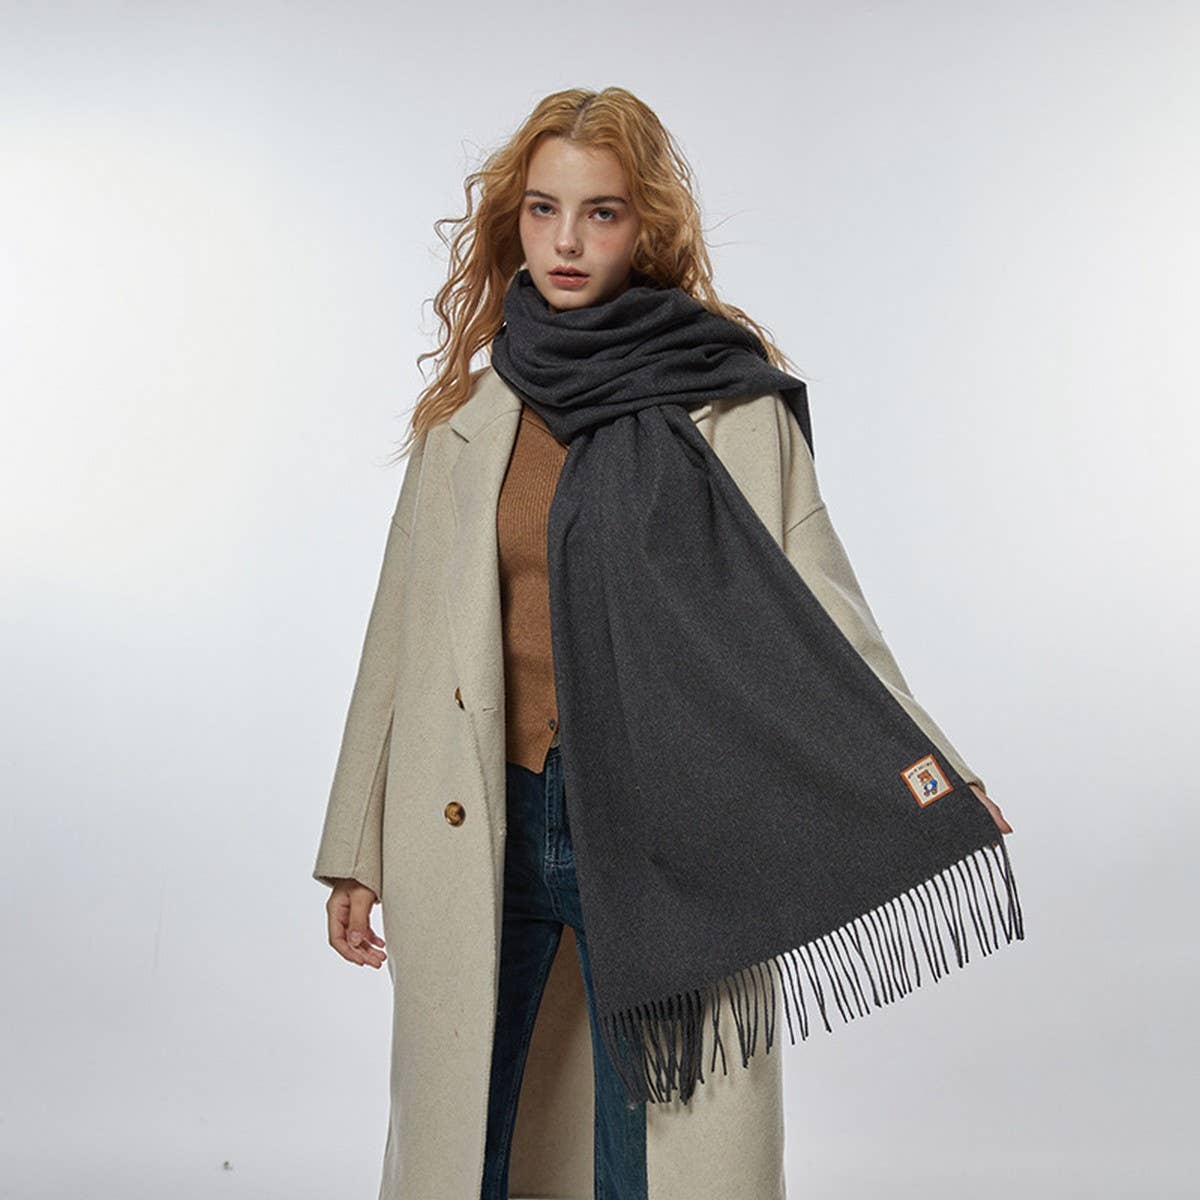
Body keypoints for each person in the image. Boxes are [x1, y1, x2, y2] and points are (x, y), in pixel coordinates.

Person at [314, 85, 1012, 1200]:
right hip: (479, 817)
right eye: (544, 210)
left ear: (646, 225)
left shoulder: (726, 404)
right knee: (465, 1141)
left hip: (660, 824)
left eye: (600, 213)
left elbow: (822, 608)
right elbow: (398, 636)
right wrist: (354, 847)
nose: (566, 242)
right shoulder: (468, 420)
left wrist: (933, 770)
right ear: (513, 220)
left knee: (653, 1158)